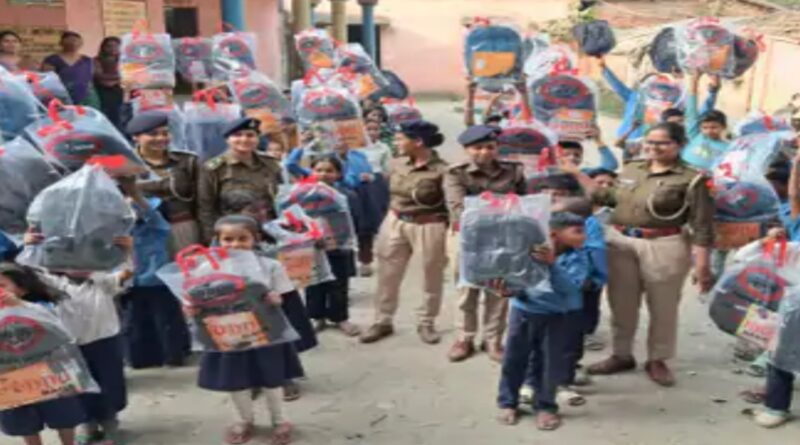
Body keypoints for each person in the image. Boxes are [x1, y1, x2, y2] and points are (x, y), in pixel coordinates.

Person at [587, 122, 715, 387]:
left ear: (679, 145)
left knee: (663, 306)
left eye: (663, 143)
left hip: (664, 244)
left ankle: (658, 359)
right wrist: (572, 174)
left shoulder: (692, 179)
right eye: (650, 142)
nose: (654, 148)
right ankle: (621, 354)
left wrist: (702, 265)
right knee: (620, 302)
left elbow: (702, 224)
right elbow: (609, 197)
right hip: (621, 242)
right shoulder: (632, 168)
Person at [22, 232, 133, 445]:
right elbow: (28, 271)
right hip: (70, 346)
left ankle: (110, 424)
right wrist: (29, 246)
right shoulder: (54, 285)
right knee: (78, 387)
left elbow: (126, 272)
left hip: (105, 341)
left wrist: (127, 250)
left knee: (109, 384)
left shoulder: (102, 280)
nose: (79, 265)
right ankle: (87, 424)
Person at [201, 215, 301, 445]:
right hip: (228, 332)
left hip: (266, 331)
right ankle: (243, 420)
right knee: (235, 378)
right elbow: (199, 298)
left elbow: (283, 296)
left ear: (255, 238)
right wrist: (191, 307)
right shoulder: (208, 268)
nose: (235, 244)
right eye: (228, 239)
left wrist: (275, 299)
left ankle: (280, 420)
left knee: (271, 377)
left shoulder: (270, 266)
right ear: (218, 240)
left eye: (242, 238)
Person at [497, 212, 589, 432]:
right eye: (577, 231)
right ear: (554, 235)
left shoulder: (578, 258)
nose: (584, 236)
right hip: (524, 312)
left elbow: (571, 288)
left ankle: (546, 405)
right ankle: (508, 403)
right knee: (513, 359)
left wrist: (552, 265)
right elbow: (517, 282)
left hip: (559, 317)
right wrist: (508, 290)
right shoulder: (526, 253)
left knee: (550, 363)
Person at [360, 120, 449, 345]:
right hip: (395, 220)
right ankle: (382, 321)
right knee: (387, 273)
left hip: (429, 224)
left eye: (400, 139)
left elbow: (451, 203)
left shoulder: (443, 170)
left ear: (418, 142)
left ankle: (426, 322)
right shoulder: (396, 164)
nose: (396, 142)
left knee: (431, 274)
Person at [444, 125, 526, 363]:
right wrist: (504, 206)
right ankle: (464, 338)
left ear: (497, 147)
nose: (484, 152)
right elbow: (459, 209)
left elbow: (524, 203)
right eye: (477, 148)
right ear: (466, 149)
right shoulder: (456, 173)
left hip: (505, 237)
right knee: (466, 289)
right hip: (468, 237)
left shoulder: (514, 171)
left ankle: (493, 340)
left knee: (499, 289)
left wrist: (489, 206)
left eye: (490, 147)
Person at [0, 264, 86, 445]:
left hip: (48, 370)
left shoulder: (39, 308)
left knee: (63, 414)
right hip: (11, 374)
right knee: (25, 421)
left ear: (21, 290)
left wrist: (21, 306)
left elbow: (61, 332)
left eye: (2, 285)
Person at [117, 177, 190, 369]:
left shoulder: (157, 227)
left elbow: (151, 214)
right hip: (130, 280)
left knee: (165, 320)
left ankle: (173, 355)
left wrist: (134, 194)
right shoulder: (120, 232)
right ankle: (141, 358)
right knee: (135, 322)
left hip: (156, 278)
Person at [197, 117, 284, 244]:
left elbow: (282, 196)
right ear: (227, 139)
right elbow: (205, 207)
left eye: (250, 135)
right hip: (234, 237)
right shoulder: (214, 168)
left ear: (257, 139)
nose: (244, 139)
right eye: (237, 135)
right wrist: (212, 239)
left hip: (270, 231)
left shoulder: (270, 164)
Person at [302, 155, 361, 336]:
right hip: (312, 245)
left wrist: (346, 239)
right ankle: (316, 317)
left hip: (339, 246)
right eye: (318, 170)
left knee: (339, 282)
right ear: (311, 172)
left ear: (338, 174)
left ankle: (340, 318)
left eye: (329, 170)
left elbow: (355, 220)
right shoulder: (302, 195)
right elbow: (295, 219)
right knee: (313, 282)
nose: (323, 174)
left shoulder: (346, 195)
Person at [127, 111, 201, 255]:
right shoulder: (122, 163)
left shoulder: (187, 161)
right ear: (135, 137)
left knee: (187, 266)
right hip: (144, 231)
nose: (161, 138)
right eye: (153, 134)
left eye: (165, 133)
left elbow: (203, 200)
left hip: (183, 227)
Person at [597, 56, 719, 141]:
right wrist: (604, 68)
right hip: (628, 142)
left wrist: (713, 91)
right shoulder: (636, 98)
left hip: (659, 148)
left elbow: (698, 116)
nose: (661, 88)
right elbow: (617, 86)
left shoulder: (676, 105)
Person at [356, 119, 392, 276]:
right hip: (357, 184)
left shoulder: (383, 148)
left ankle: (375, 259)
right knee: (360, 224)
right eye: (368, 129)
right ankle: (363, 259)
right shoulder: (354, 148)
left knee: (376, 223)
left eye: (375, 129)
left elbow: (387, 169)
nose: (371, 132)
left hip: (376, 185)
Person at [42, 31, 97, 106]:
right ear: (61, 43)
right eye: (69, 40)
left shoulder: (87, 60)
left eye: (76, 40)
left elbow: (91, 79)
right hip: (61, 98)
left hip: (86, 98)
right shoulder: (52, 60)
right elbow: (47, 80)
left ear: (81, 43)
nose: (73, 43)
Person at [94, 37, 123, 129]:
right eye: (109, 46)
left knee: (121, 118)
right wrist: (119, 77)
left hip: (122, 92)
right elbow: (98, 76)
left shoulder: (124, 60)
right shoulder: (96, 60)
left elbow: (130, 75)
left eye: (116, 46)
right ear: (103, 47)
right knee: (106, 118)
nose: (113, 48)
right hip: (103, 92)